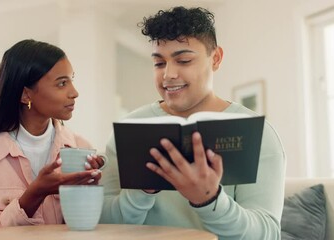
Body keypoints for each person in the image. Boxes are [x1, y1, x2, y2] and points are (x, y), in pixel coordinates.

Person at [99, 6, 286, 240]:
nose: (168, 74)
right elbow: (103, 226)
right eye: (159, 63)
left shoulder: (258, 133)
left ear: (215, 58)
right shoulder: (128, 130)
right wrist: (141, 193)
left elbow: (267, 234)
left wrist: (210, 199)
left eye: (184, 60)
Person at [0, 39, 105, 231]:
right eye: (62, 83)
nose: (74, 92)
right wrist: (33, 196)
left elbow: (86, 230)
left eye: (71, 80)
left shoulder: (81, 147)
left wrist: (88, 192)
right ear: (26, 95)